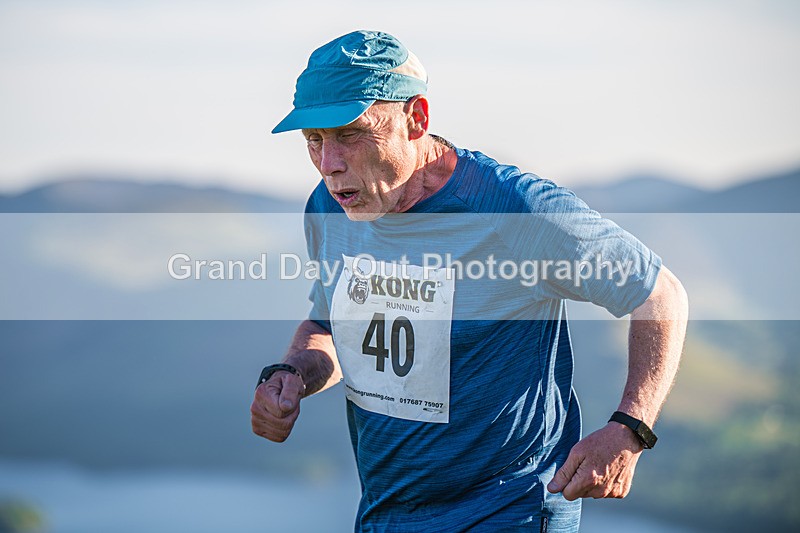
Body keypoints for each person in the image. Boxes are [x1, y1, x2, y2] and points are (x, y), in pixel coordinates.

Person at [251, 30, 688, 532]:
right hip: (385, 514)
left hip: (508, 512)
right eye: (314, 140)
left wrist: (630, 429)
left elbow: (660, 294)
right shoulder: (332, 205)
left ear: (415, 119)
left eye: (350, 133)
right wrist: (289, 376)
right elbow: (328, 325)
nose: (329, 164)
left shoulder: (513, 210)